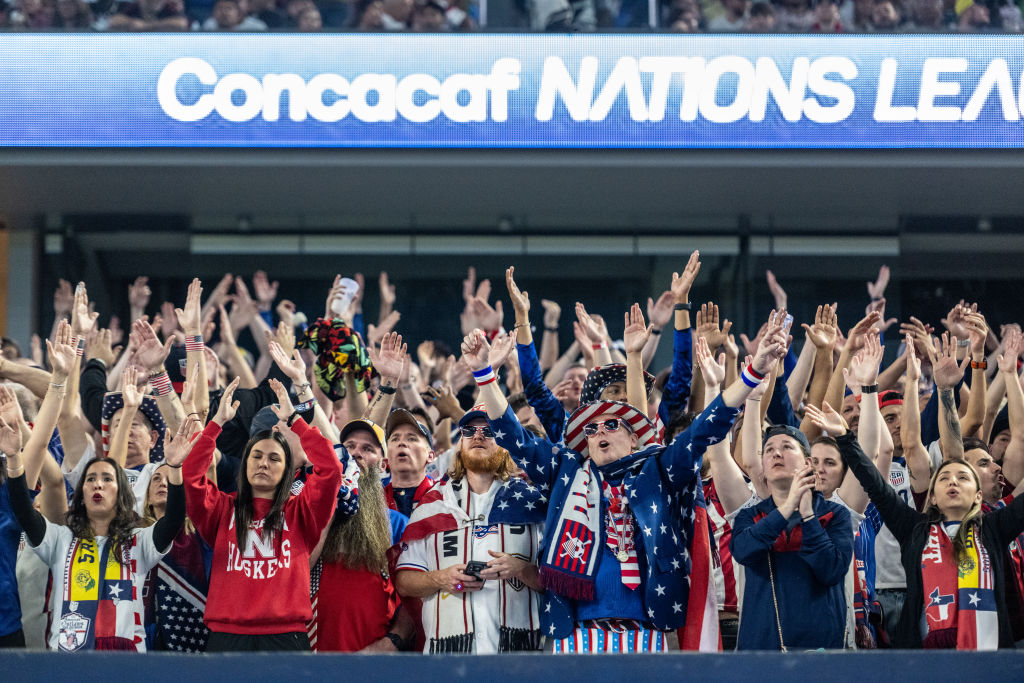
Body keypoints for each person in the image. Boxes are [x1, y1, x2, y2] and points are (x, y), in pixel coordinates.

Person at [465, 306, 787, 652]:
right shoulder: (566, 472)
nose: (599, 431)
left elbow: (705, 427)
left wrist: (754, 372)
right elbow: (516, 437)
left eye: (611, 424)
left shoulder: (658, 470)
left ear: (636, 437)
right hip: (576, 636)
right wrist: (484, 373)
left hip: (647, 634)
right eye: (591, 428)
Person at [6, 330, 190, 650]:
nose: (97, 485)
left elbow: (174, 518)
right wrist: (12, 456)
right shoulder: (61, 539)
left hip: (128, 660)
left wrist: (174, 469)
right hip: (69, 660)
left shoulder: (138, 541)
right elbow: (21, 507)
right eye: (90, 480)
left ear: (123, 493)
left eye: (106, 481)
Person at [811, 398, 1024, 649]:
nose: (953, 482)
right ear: (932, 495)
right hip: (923, 659)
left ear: (978, 495)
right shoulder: (914, 529)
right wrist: (845, 438)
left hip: (989, 658)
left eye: (963, 477)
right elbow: (876, 486)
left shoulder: (994, 528)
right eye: (944, 477)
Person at [182, 377, 341, 651]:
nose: (263, 463)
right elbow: (192, 475)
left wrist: (295, 421)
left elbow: (331, 470)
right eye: (256, 456)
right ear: (245, 464)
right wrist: (216, 424)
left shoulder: (302, 511)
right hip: (226, 636)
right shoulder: (221, 509)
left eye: (274, 458)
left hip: (286, 636)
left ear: (288, 468)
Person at [395, 404, 544, 653]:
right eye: (469, 430)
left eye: (489, 430)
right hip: (449, 656)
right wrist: (440, 578)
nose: (478, 435)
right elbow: (404, 581)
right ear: (460, 443)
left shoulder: (534, 503)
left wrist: (522, 570)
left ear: (507, 440)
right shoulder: (431, 505)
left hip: (519, 656)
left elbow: (561, 581)